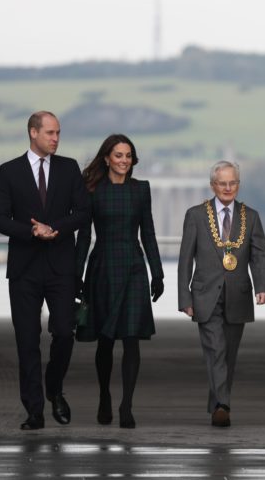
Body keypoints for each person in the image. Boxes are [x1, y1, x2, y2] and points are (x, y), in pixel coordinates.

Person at [0, 111, 90, 430]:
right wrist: (30, 231)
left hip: (61, 267)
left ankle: (54, 388)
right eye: (50, 133)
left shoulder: (69, 167)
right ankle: (34, 410)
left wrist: (54, 228)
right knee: (27, 340)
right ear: (33, 133)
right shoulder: (9, 171)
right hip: (24, 269)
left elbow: (83, 213)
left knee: (64, 332)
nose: (56, 139)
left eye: (58, 133)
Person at [74, 134, 164, 429]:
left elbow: (148, 233)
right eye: (118, 155)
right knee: (105, 340)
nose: (124, 160)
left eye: (128, 156)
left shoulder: (141, 190)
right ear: (106, 159)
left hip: (134, 266)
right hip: (102, 266)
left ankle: (127, 405)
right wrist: (77, 274)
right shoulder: (92, 190)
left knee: (131, 339)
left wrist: (158, 272)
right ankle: (104, 396)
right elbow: (84, 236)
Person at [177, 160, 265, 427]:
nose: (227, 188)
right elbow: (185, 259)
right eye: (222, 183)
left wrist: (263, 286)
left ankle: (217, 401)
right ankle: (223, 405)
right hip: (205, 295)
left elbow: (261, 255)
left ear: (238, 186)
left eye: (232, 183)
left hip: (238, 295)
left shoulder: (250, 216)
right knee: (216, 349)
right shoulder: (195, 215)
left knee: (228, 354)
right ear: (212, 185)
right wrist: (184, 298)